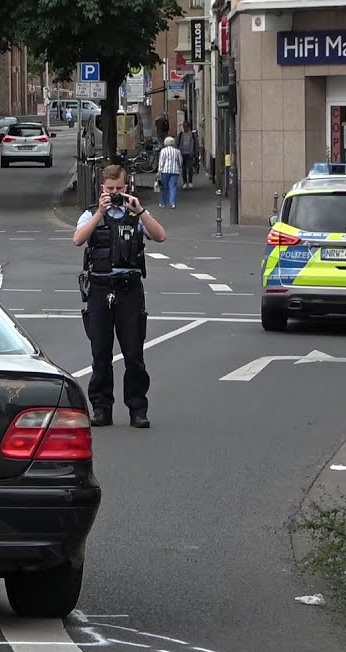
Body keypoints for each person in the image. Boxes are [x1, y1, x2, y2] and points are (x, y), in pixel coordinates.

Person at [72, 164, 169, 428]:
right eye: (110, 189)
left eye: (120, 189)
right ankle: (102, 409)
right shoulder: (90, 214)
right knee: (100, 353)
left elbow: (160, 236)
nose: (116, 193)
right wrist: (100, 213)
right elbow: (78, 239)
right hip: (100, 288)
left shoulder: (136, 215)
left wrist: (140, 210)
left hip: (129, 289)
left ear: (127, 187)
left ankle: (138, 409)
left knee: (134, 354)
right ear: (102, 188)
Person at [157, 136, 182, 208]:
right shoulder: (177, 151)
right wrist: (180, 168)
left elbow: (161, 161)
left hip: (165, 171)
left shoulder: (163, 151)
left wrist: (159, 170)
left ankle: (163, 203)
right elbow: (180, 161)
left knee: (165, 187)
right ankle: (173, 203)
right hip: (175, 171)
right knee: (173, 186)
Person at [177, 120, 200, 189]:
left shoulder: (192, 135)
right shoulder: (180, 135)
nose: (185, 127)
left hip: (190, 153)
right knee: (183, 169)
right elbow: (177, 144)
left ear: (188, 127)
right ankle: (184, 182)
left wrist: (196, 153)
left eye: (186, 126)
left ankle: (190, 182)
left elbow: (196, 144)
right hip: (182, 153)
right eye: (184, 126)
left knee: (190, 168)